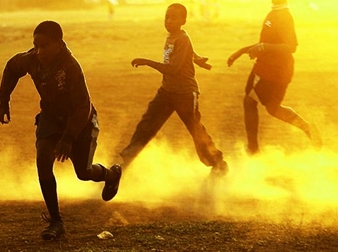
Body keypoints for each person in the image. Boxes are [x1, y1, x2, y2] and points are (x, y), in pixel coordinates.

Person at [0, 21, 122, 240]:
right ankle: (56, 222)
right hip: (50, 118)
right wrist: (4, 98)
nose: (39, 51)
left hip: (80, 122)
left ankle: (112, 174)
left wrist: (68, 138)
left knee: (83, 173)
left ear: (59, 44)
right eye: (36, 45)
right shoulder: (32, 59)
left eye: (44, 46)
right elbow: (11, 67)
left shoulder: (71, 67)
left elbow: (83, 107)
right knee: (43, 160)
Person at [120, 3, 228, 176]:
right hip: (167, 91)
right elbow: (185, 52)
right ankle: (127, 159)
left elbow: (172, 69)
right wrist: (197, 58)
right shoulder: (173, 35)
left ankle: (218, 163)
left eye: (174, 18)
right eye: (167, 17)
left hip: (185, 93)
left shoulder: (182, 38)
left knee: (196, 130)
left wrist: (147, 61)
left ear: (183, 20)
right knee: (147, 124)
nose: (169, 21)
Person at [227, 0, 321, 154]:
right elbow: (266, 42)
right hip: (277, 68)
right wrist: (241, 51)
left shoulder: (283, 15)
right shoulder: (276, 12)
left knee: (249, 102)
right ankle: (308, 128)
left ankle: (253, 149)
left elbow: (291, 46)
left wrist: (263, 47)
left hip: (271, 69)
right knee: (273, 108)